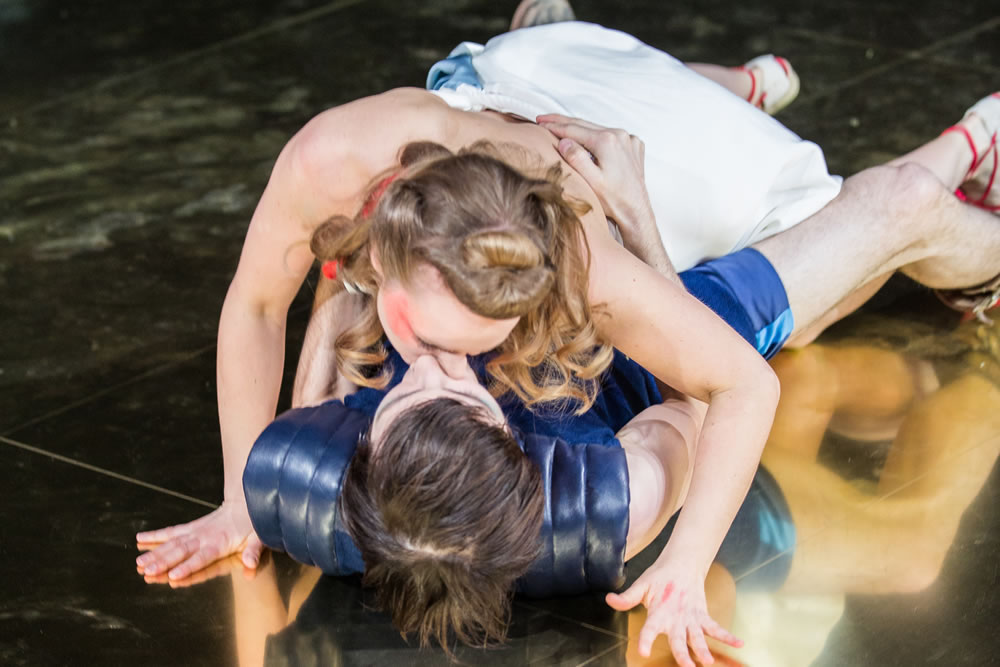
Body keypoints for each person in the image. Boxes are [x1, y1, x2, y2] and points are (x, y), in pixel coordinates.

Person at [136, 9, 1000, 665]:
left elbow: (736, 383)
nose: (443, 362)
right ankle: (619, 53)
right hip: (522, 116)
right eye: (456, 366)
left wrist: (690, 562)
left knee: (846, 260)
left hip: (639, 155)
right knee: (806, 319)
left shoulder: (573, 243)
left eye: (471, 345)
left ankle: (744, 99)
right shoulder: (337, 170)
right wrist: (238, 499)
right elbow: (261, 302)